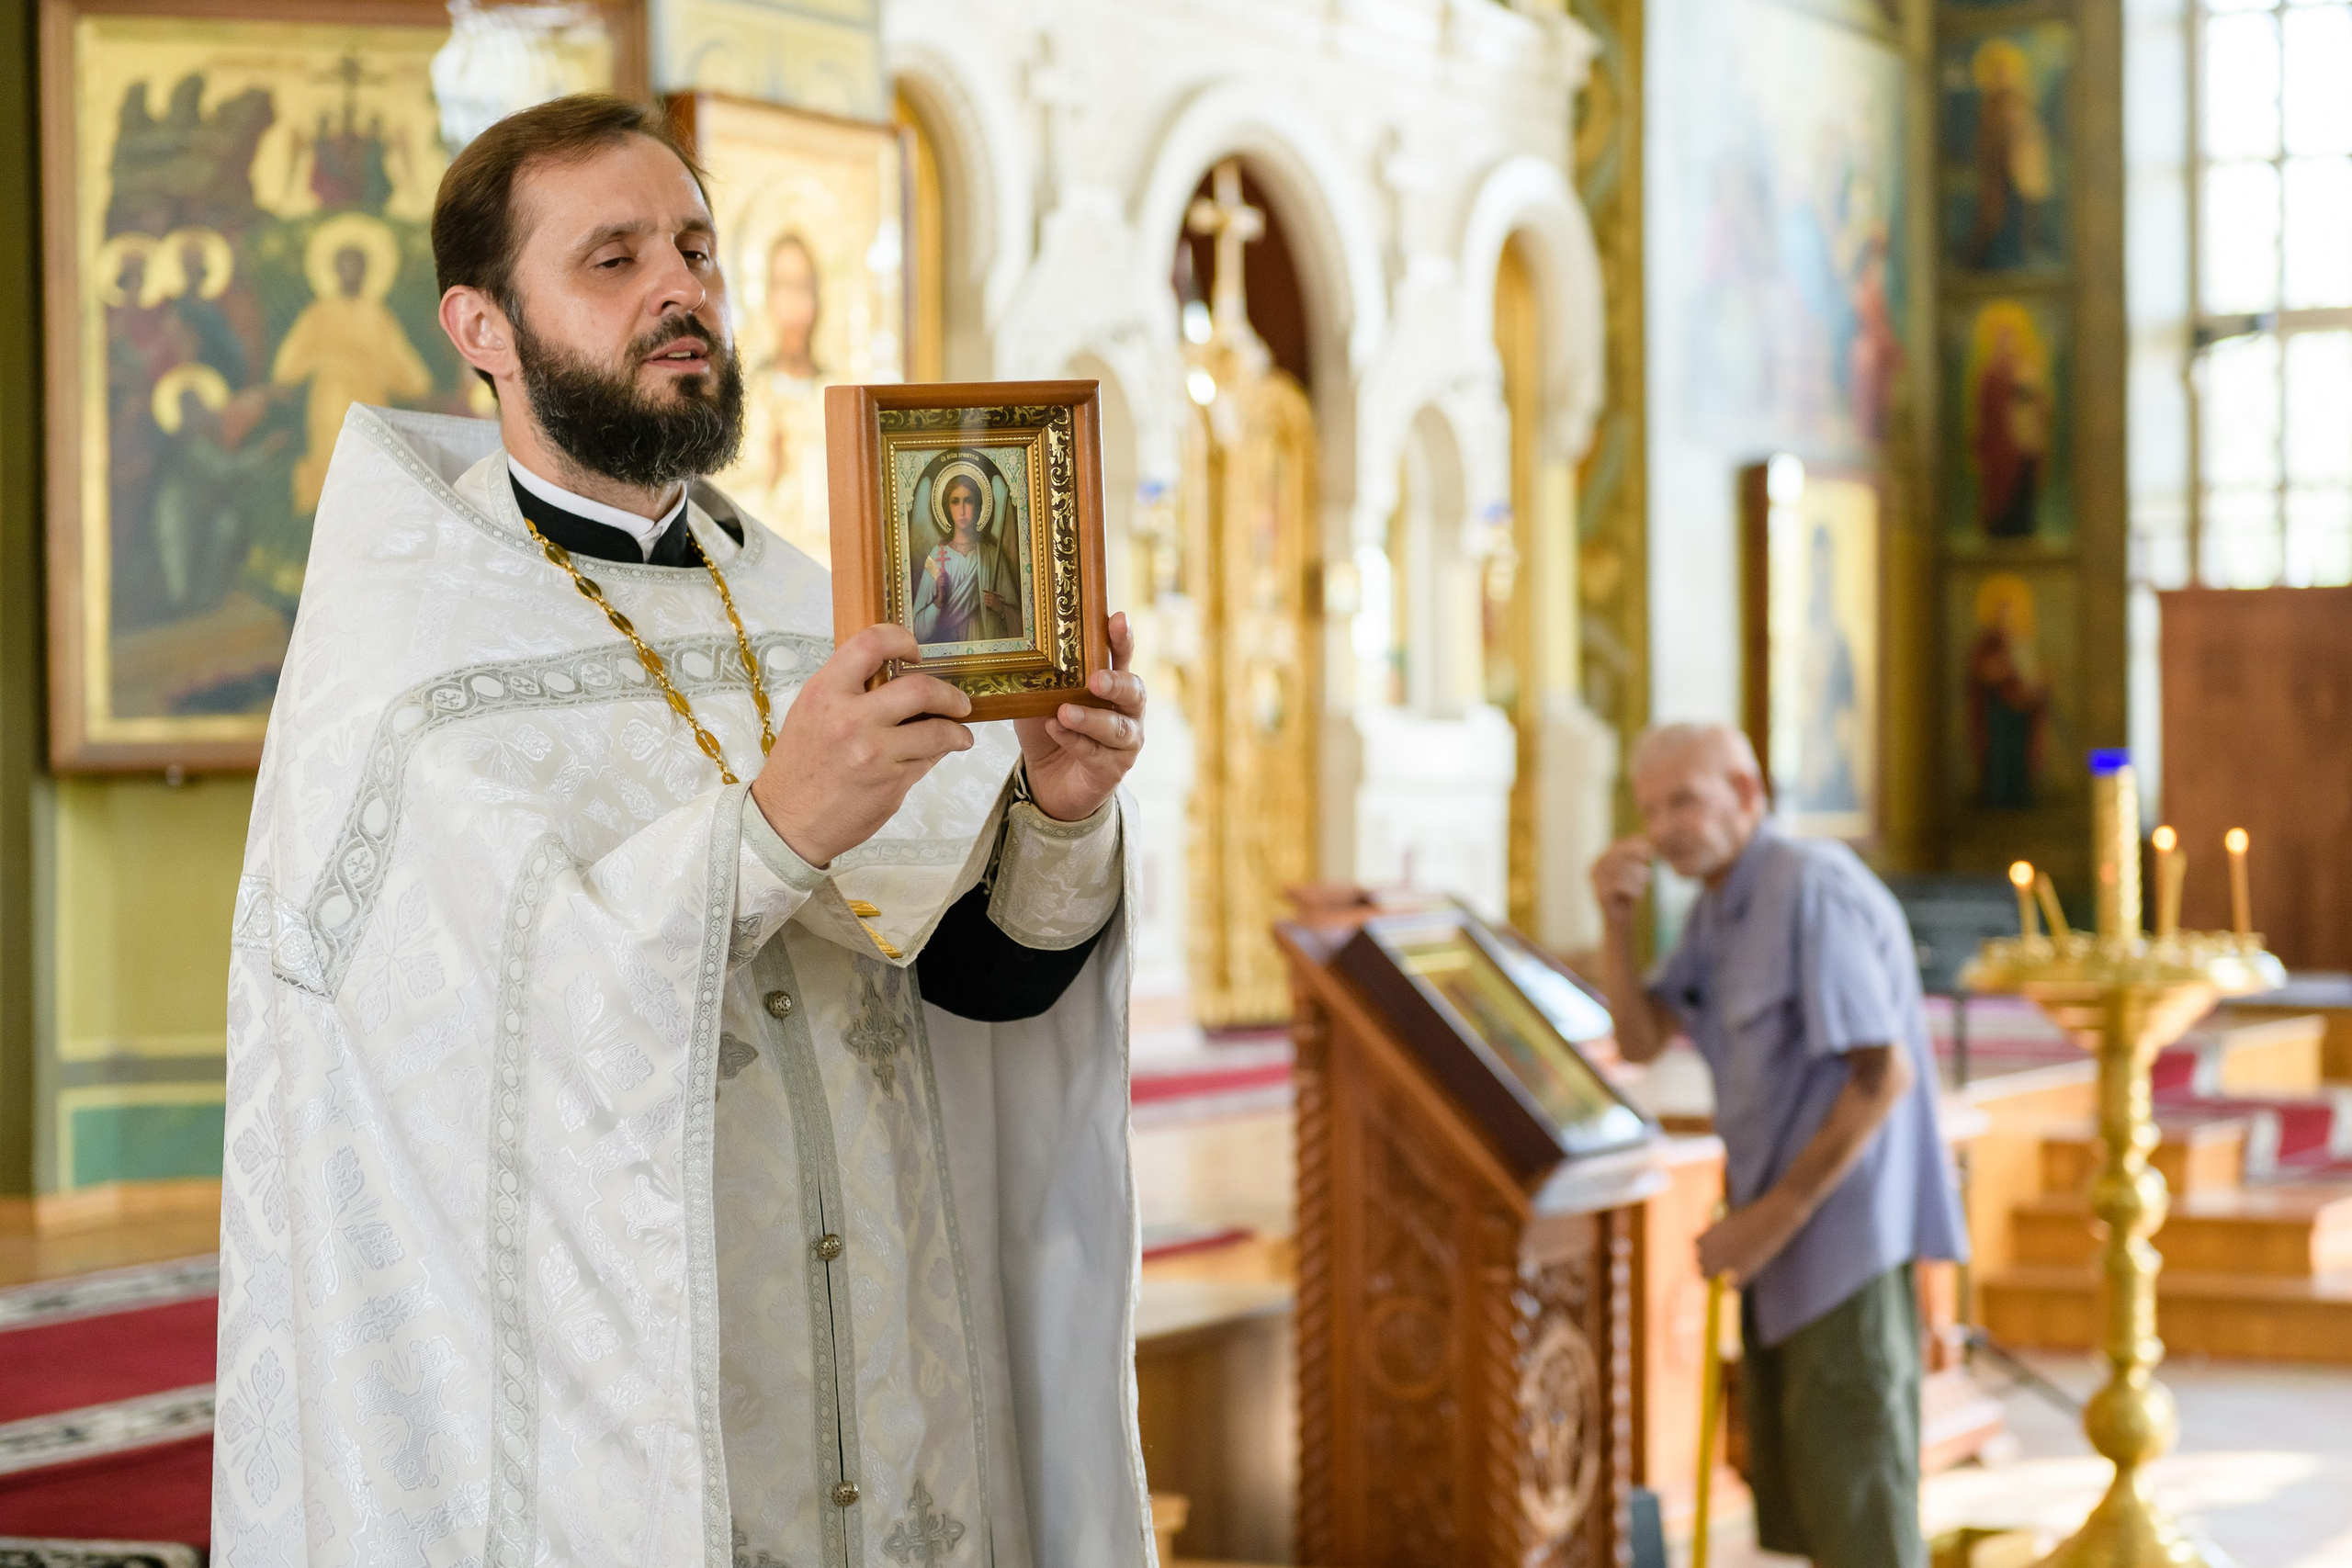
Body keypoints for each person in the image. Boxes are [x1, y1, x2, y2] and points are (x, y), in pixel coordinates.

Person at [215, 95, 1154, 1568]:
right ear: (482, 325)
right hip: (632, 1439)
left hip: (887, 1408)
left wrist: (1054, 809)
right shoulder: (402, 671)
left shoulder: (803, 605)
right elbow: (449, 1081)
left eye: (696, 247)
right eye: (612, 257)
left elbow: (975, 992)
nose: (681, 289)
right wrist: (773, 831)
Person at [1589, 723, 1965, 1568]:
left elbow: (1883, 1073)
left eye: (1683, 799)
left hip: (1840, 1244)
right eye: (1650, 808)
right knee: (1809, 1509)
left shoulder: (1809, 886)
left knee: (1863, 1513)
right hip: (1779, 1249)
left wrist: (1768, 1218)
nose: (1663, 826)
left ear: (1747, 792)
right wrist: (1616, 923)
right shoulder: (1719, 905)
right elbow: (1643, 1038)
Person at [911, 468, 1023, 645]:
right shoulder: (936, 558)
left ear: (978, 506)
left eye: (968, 501)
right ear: (947, 507)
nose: (962, 510)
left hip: (984, 646)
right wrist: (939, 603)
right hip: (948, 648)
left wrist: (1000, 608)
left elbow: (1020, 622)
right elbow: (917, 628)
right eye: (955, 502)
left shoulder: (992, 556)